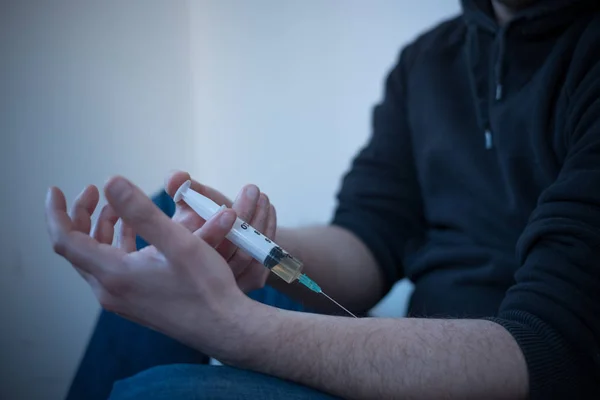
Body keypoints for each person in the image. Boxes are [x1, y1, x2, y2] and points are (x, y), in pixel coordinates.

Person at [46, 0, 600, 398]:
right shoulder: (429, 61)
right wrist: (249, 241)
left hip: (504, 367)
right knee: (166, 226)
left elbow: (552, 353)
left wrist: (230, 327)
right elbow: (368, 241)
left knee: (159, 393)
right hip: (418, 337)